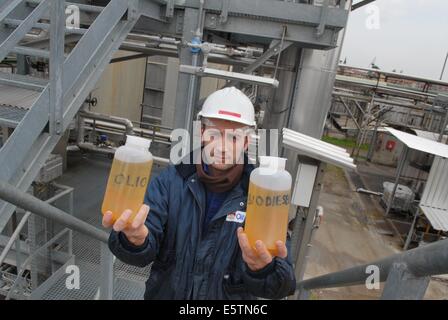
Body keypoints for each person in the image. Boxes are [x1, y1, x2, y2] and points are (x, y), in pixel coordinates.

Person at [102, 87, 296, 299]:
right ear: (202, 133)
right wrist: (136, 241)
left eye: (234, 138)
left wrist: (263, 270)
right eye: (215, 135)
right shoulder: (171, 181)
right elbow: (140, 250)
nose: (223, 148)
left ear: (247, 142)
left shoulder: (262, 195)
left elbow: (283, 285)